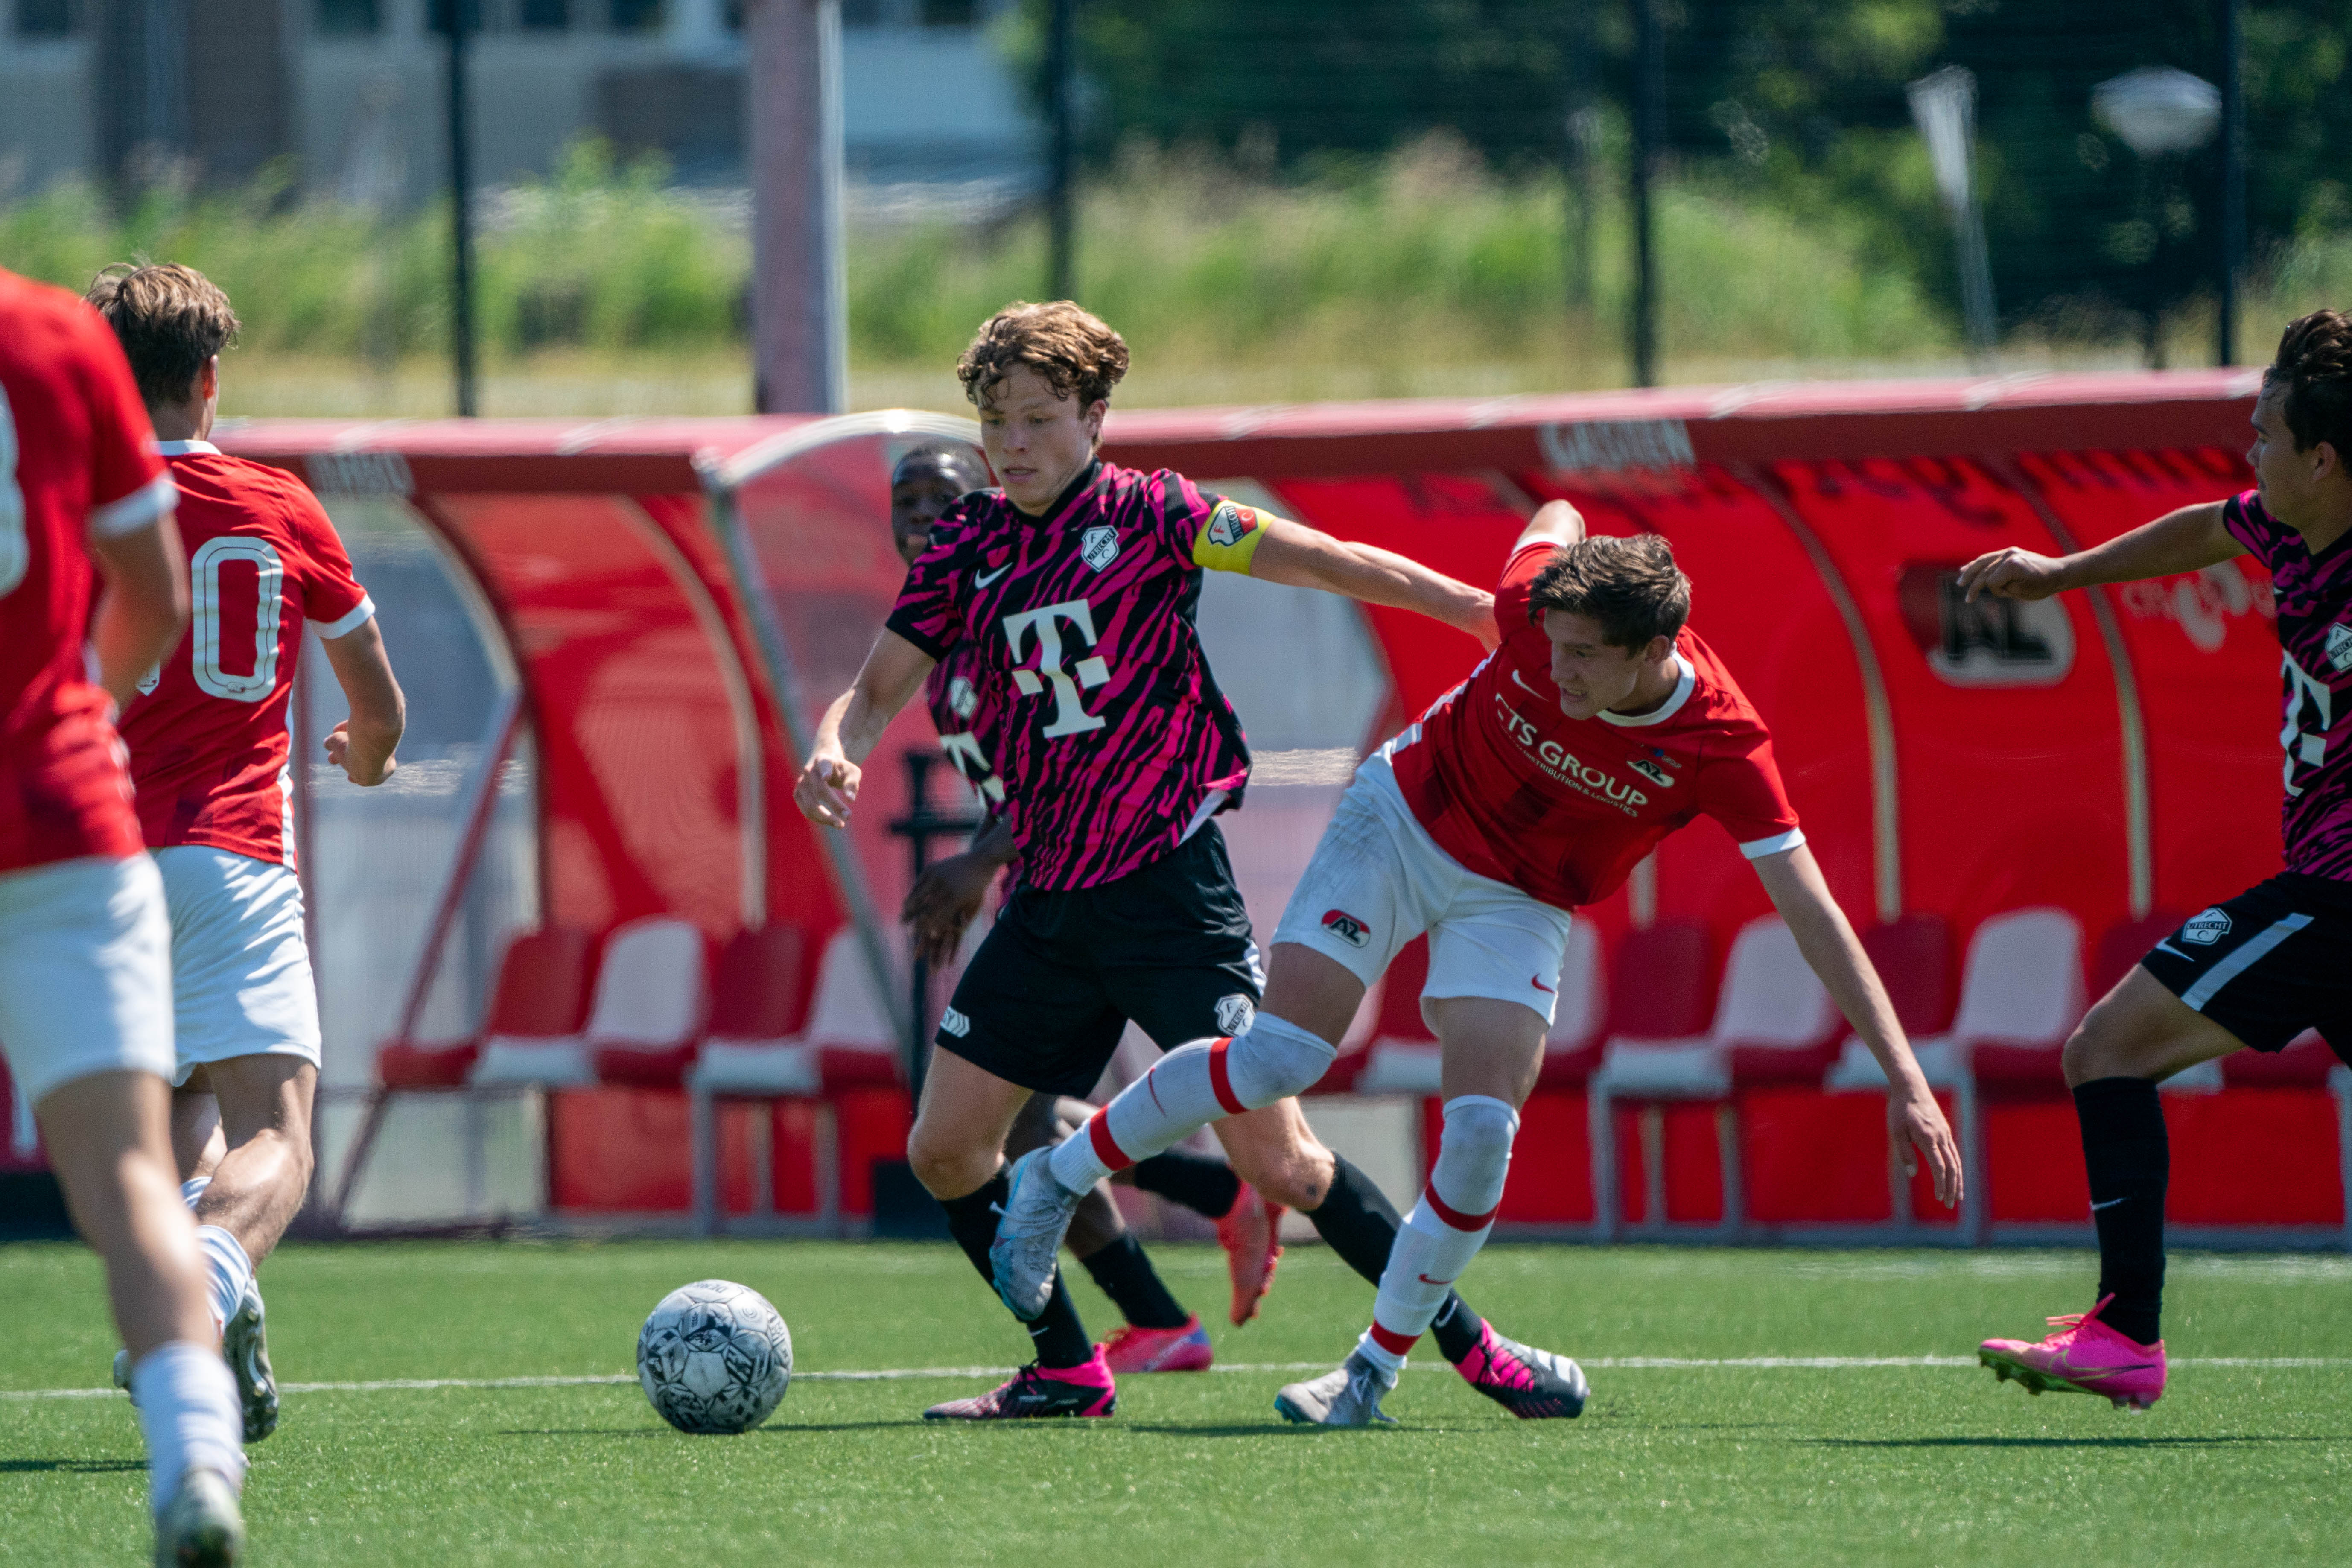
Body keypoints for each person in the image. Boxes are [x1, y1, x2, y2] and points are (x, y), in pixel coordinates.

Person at [996, 503, 1966, 1426]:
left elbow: (1813, 914)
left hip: (1520, 896)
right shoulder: (1534, 604)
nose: (1556, 664)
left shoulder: (1721, 743)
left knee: (1479, 1135)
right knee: (1280, 1056)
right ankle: (1055, 1178)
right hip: (1401, 820)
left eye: (1584, 655)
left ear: (1654, 649)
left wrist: (1907, 1079)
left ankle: (1368, 1374)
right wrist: (1571, 540)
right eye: (1554, 642)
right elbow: (1555, 509)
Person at [797, 301, 1584, 1422]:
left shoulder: (1154, 513)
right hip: (1048, 901)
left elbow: (1320, 560)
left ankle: (1476, 1349)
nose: (1012, 443)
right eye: (995, 420)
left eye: (1037, 418)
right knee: (945, 1149)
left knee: (1285, 1167)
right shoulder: (966, 547)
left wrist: (1463, 607)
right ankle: (1067, 1368)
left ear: (1094, 417)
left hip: (1168, 891)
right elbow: (874, 690)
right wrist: (835, 747)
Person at [1960, 310, 2352, 1413]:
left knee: (2106, 1047)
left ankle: (2125, 1335)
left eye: (2265, 436)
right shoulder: (2287, 530)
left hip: (2335, 899)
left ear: (2322, 459)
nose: (2249, 452)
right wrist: (2059, 573)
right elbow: (2203, 530)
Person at [87, 263, 407, 1439]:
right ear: (210, 378)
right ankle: (206, 1291)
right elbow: (378, 706)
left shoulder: (66, 508)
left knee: (177, 1105)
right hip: (230, 853)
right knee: (276, 1130)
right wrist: (366, 758)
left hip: (90, 868)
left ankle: (209, 1304)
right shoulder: (276, 502)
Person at [888, 439, 1282, 1366]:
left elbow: (1071, 768)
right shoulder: (938, 639)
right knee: (1030, 1131)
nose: (924, 519)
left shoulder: (1014, 609)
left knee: (1029, 1133)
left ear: (989, 503)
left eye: (944, 498)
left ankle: (1176, 1291)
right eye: (906, 503)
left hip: (1104, 884)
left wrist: (979, 860)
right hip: (1041, 890)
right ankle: (1182, 1269)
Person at [0, 265, 248, 1562]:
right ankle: (197, 1456)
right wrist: (71, 713)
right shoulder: (54, 333)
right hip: (62, 814)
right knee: (133, 1175)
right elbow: (151, 596)